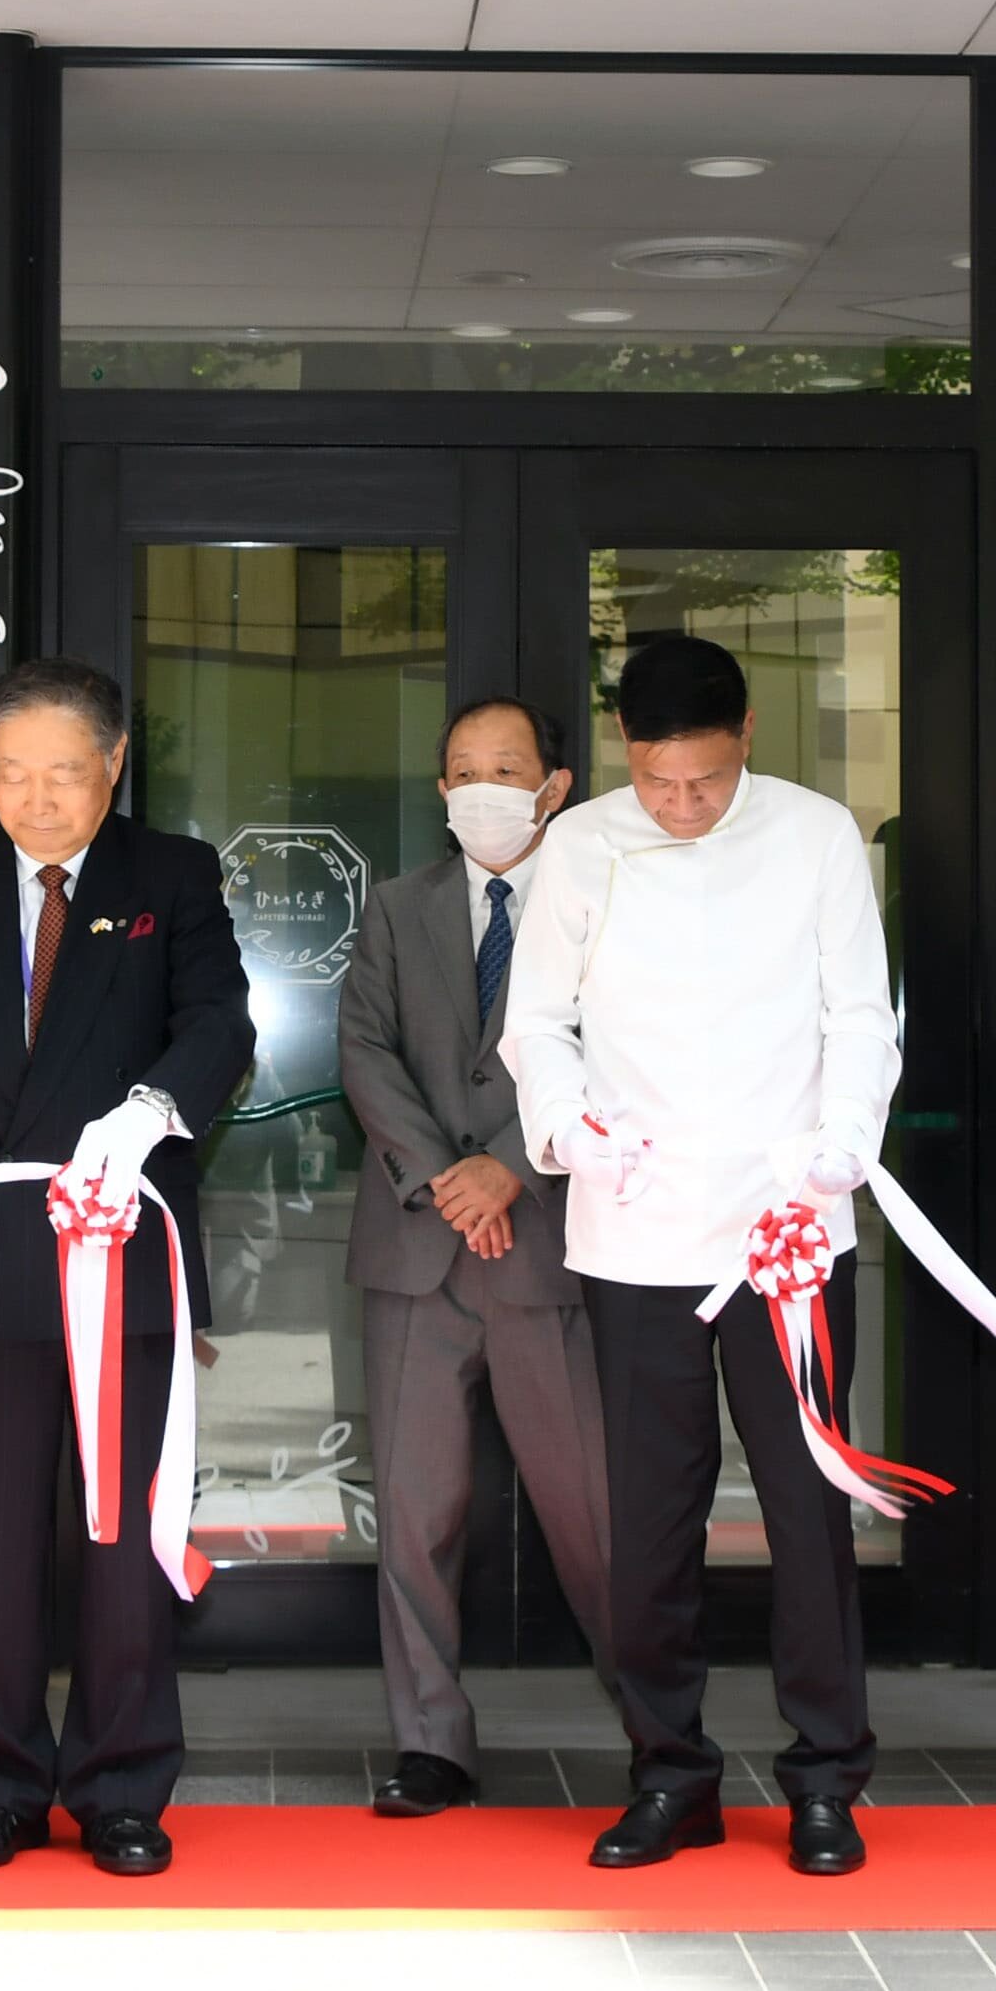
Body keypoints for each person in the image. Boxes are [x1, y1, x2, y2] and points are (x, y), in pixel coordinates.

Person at [0, 657, 255, 1881]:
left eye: (61, 773)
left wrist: (149, 1112)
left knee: (123, 1545)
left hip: (122, 1255)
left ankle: (123, 1787)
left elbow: (219, 1023)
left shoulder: (167, 875)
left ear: (113, 762)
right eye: (10, 773)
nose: (34, 798)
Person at [501, 633, 900, 1879]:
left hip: (786, 1228)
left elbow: (857, 1013)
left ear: (745, 742)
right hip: (638, 1231)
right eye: (660, 783)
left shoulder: (816, 834)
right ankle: (669, 1768)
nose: (682, 807)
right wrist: (567, 1128)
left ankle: (825, 1775)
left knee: (807, 1505)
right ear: (626, 751)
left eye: (707, 783)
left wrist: (840, 1144)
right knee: (652, 1519)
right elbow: (534, 1024)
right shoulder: (577, 846)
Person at [336, 695, 615, 1818]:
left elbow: (623, 1051)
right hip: (415, 1246)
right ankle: (429, 1741)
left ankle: (655, 1721)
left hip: (551, 1244)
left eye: (506, 766)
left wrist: (509, 1162)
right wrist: (442, 1179)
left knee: (593, 1509)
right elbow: (364, 1049)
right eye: (461, 770)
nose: (481, 786)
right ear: (441, 790)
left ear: (553, 783)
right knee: (414, 1512)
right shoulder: (398, 907)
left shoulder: (604, 901)